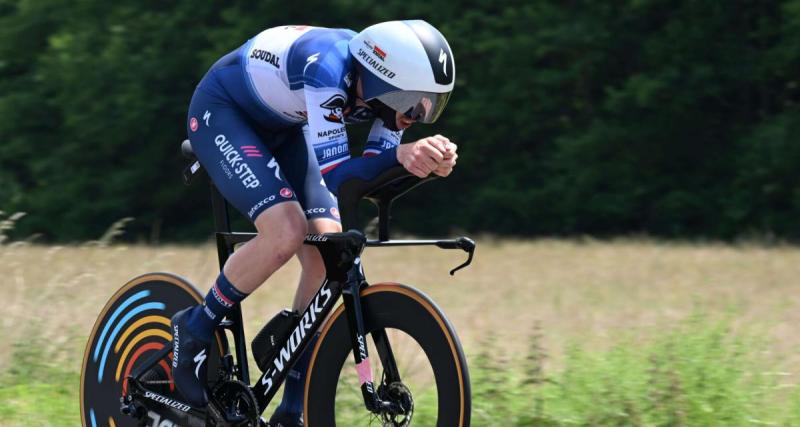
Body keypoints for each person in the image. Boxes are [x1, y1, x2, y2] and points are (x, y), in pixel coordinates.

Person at [171, 20, 457, 426]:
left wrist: (422, 165)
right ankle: (195, 328)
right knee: (285, 231)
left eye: (430, 105)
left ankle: (293, 406)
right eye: (414, 102)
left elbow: (369, 180)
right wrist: (402, 156)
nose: (418, 115)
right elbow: (340, 175)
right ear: (383, 80)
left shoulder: (385, 104)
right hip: (224, 111)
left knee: (327, 253)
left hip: (287, 126)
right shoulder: (328, 69)